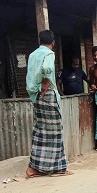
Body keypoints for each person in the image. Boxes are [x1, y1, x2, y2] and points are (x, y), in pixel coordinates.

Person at [25, 30, 73, 178]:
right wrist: (45, 80)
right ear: (53, 42)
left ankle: (56, 167)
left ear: (39, 40)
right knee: (54, 131)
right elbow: (47, 68)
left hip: (36, 95)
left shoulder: (33, 54)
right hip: (47, 94)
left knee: (41, 130)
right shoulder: (49, 54)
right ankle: (36, 168)